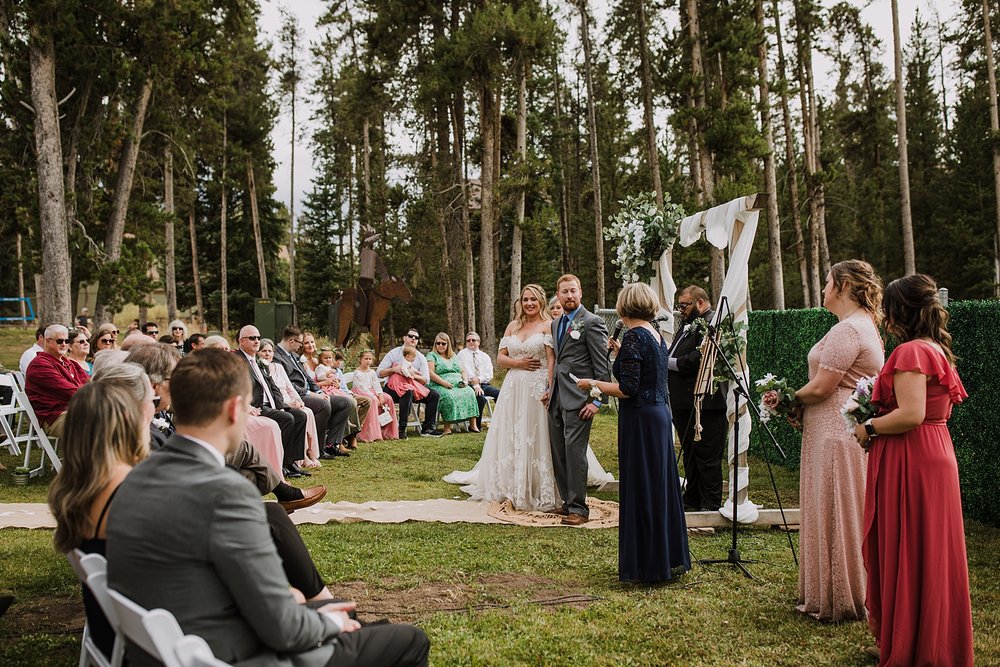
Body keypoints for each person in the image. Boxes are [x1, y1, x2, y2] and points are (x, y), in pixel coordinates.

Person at [106, 349, 431, 667]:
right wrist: (327, 624)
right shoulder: (229, 493)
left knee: (361, 622)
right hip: (235, 651)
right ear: (235, 410)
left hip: (177, 639)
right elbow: (284, 629)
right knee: (409, 640)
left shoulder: (137, 474)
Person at [48, 363, 341, 661]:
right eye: (148, 405)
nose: (151, 414)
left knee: (271, 521)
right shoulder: (128, 491)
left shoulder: (77, 489)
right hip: (172, 635)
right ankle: (321, 599)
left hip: (129, 621)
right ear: (125, 420)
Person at [853, 274, 973, 666]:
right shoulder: (938, 350)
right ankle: (928, 642)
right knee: (930, 551)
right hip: (936, 454)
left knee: (909, 548)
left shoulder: (910, 353)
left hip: (912, 459)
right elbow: (938, 412)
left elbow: (911, 414)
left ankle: (911, 645)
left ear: (899, 310)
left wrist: (868, 426)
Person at [446, 284, 613, 511]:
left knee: (538, 436)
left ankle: (541, 486)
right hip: (513, 387)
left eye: (533, 299)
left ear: (541, 301)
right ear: (520, 302)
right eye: (525, 299)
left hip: (538, 387)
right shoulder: (513, 326)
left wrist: (550, 388)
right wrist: (519, 363)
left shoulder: (550, 325)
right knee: (513, 434)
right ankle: (512, 484)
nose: (529, 303)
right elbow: (500, 359)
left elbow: (553, 362)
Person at [788, 260, 885, 622]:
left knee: (833, 508)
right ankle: (840, 587)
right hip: (835, 429)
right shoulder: (864, 325)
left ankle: (839, 595)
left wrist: (783, 399)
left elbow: (821, 387)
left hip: (833, 433)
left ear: (843, 286)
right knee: (839, 507)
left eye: (828, 282)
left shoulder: (848, 330)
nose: (824, 288)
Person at [575, 283, 690, 582]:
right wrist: (619, 356)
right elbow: (646, 372)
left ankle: (647, 564)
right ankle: (665, 556)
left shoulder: (634, 337)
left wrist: (592, 384)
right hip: (660, 414)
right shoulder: (654, 334)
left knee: (642, 485)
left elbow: (627, 388)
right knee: (659, 484)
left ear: (624, 306)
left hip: (641, 418)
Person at [128, 343, 326, 512]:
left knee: (245, 450)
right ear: (153, 386)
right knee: (254, 482)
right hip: (183, 488)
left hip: (187, 473)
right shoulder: (137, 422)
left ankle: (280, 492)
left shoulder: (160, 409)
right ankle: (281, 493)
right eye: (174, 380)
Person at [547, 274, 610, 525]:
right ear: (558, 295)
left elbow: (601, 365)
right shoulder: (556, 323)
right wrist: (549, 391)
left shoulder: (592, 322)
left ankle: (579, 510)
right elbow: (559, 362)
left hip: (581, 400)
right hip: (556, 398)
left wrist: (596, 401)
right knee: (559, 453)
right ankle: (567, 501)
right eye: (564, 292)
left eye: (573, 291)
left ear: (581, 292)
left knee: (575, 453)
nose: (569, 296)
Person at [667, 285, 728, 512]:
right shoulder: (688, 324)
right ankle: (691, 498)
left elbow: (700, 356)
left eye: (684, 305)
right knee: (691, 454)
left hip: (707, 402)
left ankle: (710, 505)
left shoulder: (711, 323)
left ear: (700, 303)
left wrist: (670, 363)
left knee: (707, 456)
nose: (681, 310)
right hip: (684, 401)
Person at [272, 327, 357, 458]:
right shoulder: (276, 356)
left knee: (346, 402)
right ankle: (317, 447)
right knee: (324, 404)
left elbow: (307, 377)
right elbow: (288, 384)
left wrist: (318, 390)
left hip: (310, 392)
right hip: (295, 396)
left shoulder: (293, 355)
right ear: (291, 341)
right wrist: (311, 393)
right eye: (300, 343)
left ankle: (331, 444)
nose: (300, 346)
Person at [237, 325, 310, 479]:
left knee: (300, 416)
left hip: (271, 403)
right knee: (287, 419)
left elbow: (272, 386)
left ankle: (292, 463)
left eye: (258, 337)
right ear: (241, 341)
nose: (257, 341)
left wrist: (282, 405)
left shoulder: (257, 360)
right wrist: (246, 406)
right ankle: (281, 463)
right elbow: (233, 386)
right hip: (257, 406)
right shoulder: (237, 361)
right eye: (252, 338)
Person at [258, 338, 322, 468]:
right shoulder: (260, 369)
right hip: (280, 402)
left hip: (289, 399)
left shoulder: (279, 367)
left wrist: (298, 400)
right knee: (300, 415)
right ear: (258, 353)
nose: (267, 354)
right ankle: (301, 457)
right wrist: (288, 404)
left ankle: (309, 452)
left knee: (307, 411)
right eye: (264, 351)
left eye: (270, 351)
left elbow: (290, 388)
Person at [377, 329, 444, 438]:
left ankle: (428, 429)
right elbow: (379, 373)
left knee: (434, 395)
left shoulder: (420, 357)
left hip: (413, 386)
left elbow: (426, 379)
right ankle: (402, 429)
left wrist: (413, 375)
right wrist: (394, 369)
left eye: (416, 338)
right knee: (407, 392)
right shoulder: (394, 353)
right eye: (411, 336)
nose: (413, 339)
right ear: (404, 338)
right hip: (392, 388)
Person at [25, 324, 88, 436]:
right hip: (56, 417)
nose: (64, 344)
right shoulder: (40, 365)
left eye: (67, 341)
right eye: (60, 341)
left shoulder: (68, 362)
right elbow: (72, 392)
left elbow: (90, 382)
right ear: (48, 341)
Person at [426, 332, 480, 434]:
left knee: (470, 392)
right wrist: (444, 383)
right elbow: (430, 373)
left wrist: (464, 381)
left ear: (448, 344)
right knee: (449, 396)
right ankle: (447, 427)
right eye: (438, 343)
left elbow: (463, 370)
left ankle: (473, 425)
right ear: (435, 344)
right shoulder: (431, 355)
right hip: (439, 383)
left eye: (443, 343)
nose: (440, 346)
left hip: (457, 383)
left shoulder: (453, 355)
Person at [352, 349, 398, 440]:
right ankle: (371, 434)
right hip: (361, 392)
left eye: (370, 359)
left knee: (388, 398)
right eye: (365, 359)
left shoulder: (372, 372)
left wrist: (380, 395)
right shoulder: (357, 373)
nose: (368, 361)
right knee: (372, 400)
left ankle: (387, 431)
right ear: (360, 360)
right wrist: (374, 397)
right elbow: (362, 387)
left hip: (372, 391)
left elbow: (376, 385)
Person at [456, 331, 500, 425]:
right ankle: (476, 425)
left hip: (484, 384)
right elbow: (466, 371)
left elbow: (489, 374)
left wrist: (479, 379)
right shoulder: (462, 354)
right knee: (480, 397)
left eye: (473, 340)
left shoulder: (485, 356)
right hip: (469, 385)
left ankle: (500, 421)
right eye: (468, 340)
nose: (471, 342)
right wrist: (475, 384)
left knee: (500, 394)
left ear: (479, 342)